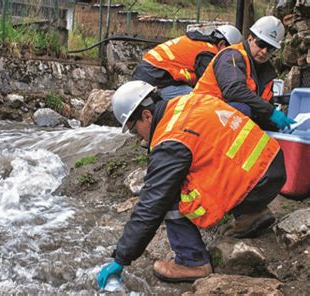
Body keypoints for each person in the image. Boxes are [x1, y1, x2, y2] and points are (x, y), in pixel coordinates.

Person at [97, 80, 286, 288]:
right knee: (205, 163)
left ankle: (192, 262)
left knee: (169, 194)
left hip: (253, 184)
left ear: (147, 116)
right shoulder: (189, 101)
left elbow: (151, 205)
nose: (138, 138)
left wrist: (121, 259)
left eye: (134, 131)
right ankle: (251, 214)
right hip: (272, 165)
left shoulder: (170, 139)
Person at [193, 16, 295, 130]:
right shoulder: (231, 56)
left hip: (219, 117)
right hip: (201, 114)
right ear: (250, 38)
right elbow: (233, 90)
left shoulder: (266, 71)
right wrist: (270, 111)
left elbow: (261, 105)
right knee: (242, 109)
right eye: (261, 44)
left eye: (270, 48)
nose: (264, 51)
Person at [132, 25, 242, 100]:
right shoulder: (209, 53)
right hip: (156, 78)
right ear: (222, 44)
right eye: (230, 51)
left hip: (147, 73)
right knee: (198, 101)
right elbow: (208, 85)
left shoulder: (197, 42)